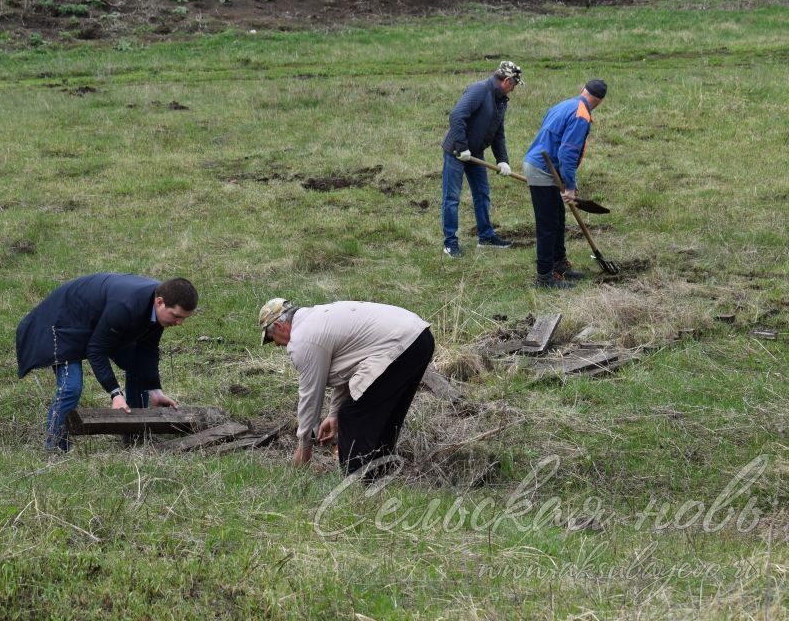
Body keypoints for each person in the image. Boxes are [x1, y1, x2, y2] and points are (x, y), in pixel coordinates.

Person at [16, 273, 197, 451]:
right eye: (176, 316)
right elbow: (96, 351)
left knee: (136, 366)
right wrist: (115, 394)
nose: (179, 322)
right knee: (71, 387)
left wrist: (154, 391)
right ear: (160, 302)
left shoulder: (157, 308)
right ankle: (55, 447)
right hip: (62, 324)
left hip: (96, 322)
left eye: (183, 318)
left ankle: (135, 434)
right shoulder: (127, 306)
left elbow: (147, 349)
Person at [259, 298, 434, 477]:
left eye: (273, 339)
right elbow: (350, 368)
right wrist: (333, 414)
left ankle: (358, 481)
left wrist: (304, 448)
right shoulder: (316, 320)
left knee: (353, 415)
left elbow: (310, 396)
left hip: (401, 344)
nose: (279, 345)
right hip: (419, 338)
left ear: (280, 326)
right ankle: (380, 471)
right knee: (386, 415)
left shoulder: (302, 340)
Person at [523, 79, 608, 289]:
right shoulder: (581, 115)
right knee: (548, 224)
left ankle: (559, 264)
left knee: (558, 219)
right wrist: (569, 186)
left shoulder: (564, 105)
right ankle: (544, 277)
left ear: (582, 90)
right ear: (600, 101)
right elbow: (567, 152)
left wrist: (568, 181)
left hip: (547, 167)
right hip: (542, 169)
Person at [440, 60, 525, 257]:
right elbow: (456, 116)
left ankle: (486, 236)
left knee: (482, 194)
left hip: (475, 153)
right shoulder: (479, 90)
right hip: (456, 150)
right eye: (514, 86)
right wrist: (462, 147)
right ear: (507, 81)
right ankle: (450, 243)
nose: (513, 90)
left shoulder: (501, 100)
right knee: (452, 198)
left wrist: (502, 160)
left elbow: (498, 132)